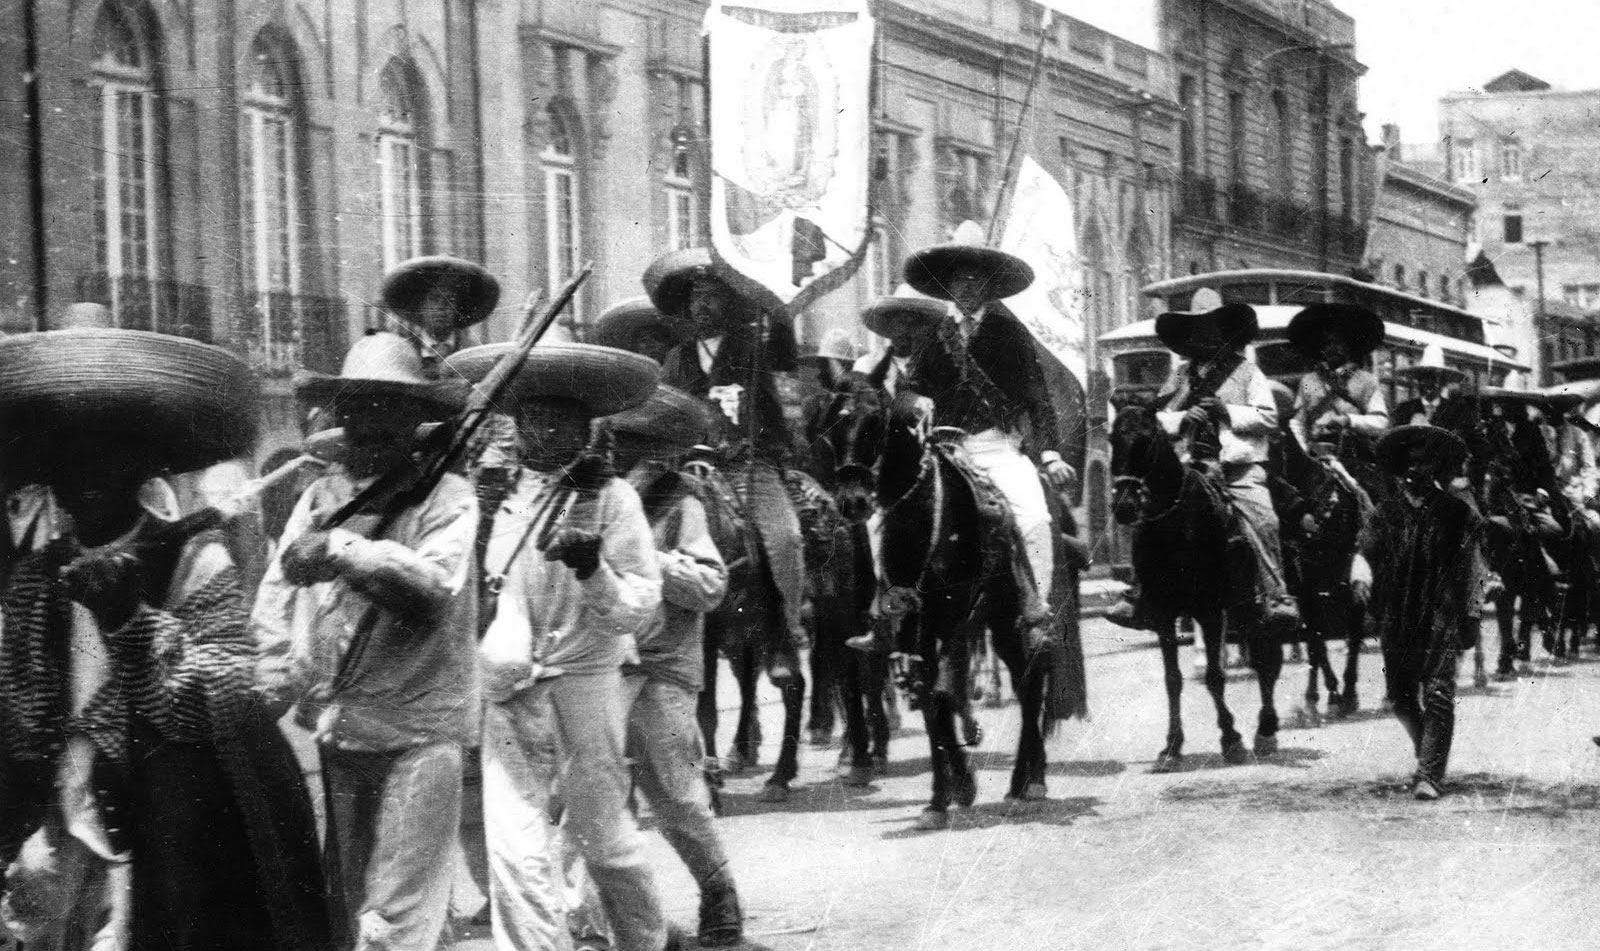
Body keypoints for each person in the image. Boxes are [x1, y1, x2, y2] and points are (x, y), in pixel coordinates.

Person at [0, 327, 329, 950]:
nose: (90, 476)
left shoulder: (195, 562)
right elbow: (19, 720)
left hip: (170, 826)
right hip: (62, 824)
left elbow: (220, 700)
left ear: (142, 467)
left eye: (110, 457)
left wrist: (129, 619)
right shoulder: (35, 581)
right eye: (72, 460)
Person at [445, 340, 678, 951]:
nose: (544, 430)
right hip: (507, 688)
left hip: (586, 686)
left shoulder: (614, 499)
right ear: (516, 425)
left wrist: (592, 568)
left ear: (585, 427)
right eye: (532, 419)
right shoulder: (492, 495)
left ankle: (647, 940)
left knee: (605, 839)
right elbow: (464, 589)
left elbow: (640, 608)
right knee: (515, 849)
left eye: (560, 420)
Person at [254, 332, 481, 951]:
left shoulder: (450, 499)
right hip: (341, 728)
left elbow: (430, 590)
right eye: (354, 408)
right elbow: (275, 599)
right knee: (346, 904)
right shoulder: (319, 497)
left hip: (420, 729)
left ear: (414, 421)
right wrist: (271, 680)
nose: (365, 423)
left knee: (392, 916)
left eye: (384, 408)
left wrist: (343, 549)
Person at [861, 226, 1074, 650]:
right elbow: (908, 392)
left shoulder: (1010, 334)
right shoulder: (934, 336)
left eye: (977, 279)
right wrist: (911, 404)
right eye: (960, 279)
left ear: (990, 285)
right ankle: (887, 611)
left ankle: (1036, 613)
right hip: (944, 449)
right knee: (879, 519)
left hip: (996, 447)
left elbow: (1038, 399)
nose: (968, 287)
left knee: (1033, 518)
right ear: (948, 285)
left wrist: (1048, 453)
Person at [594, 384, 744, 947]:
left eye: (633, 442)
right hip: (599, 666)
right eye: (614, 438)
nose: (618, 451)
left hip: (660, 668)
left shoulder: (680, 504)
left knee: (677, 795)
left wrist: (646, 556)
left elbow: (710, 584)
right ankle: (630, 921)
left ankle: (719, 889)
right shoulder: (590, 497)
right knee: (597, 800)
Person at [643, 248, 807, 680]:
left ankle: (786, 633)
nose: (703, 304)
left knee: (784, 538)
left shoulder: (754, 349)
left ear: (730, 302)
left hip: (746, 466)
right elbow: (661, 415)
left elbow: (786, 358)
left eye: (713, 295)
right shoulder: (676, 360)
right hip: (687, 471)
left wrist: (778, 307)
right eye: (697, 295)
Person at [1109, 291, 1297, 635]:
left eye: (1212, 330)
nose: (1205, 338)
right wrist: (1183, 418)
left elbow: (1269, 418)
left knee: (1263, 518)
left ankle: (1276, 596)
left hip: (1237, 467)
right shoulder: (1180, 377)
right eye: (1198, 331)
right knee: (1150, 517)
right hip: (1188, 466)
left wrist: (1227, 412)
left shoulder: (1247, 372)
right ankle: (1137, 593)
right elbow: (1154, 420)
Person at [1360, 424, 1486, 800]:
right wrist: (1360, 577)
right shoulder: (1384, 513)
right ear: (1400, 466)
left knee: (1439, 694)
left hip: (1441, 615)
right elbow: (1364, 553)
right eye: (1410, 461)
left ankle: (1430, 774)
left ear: (1437, 467)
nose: (1417, 468)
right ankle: (1425, 755)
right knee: (1400, 698)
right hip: (1396, 617)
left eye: (1425, 461)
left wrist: (1473, 614)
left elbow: (1473, 569)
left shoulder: (1457, 512)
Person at [380, 254, 501, 373]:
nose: (442, 307)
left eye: (451, 300)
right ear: (420, 305)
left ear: (459, 308)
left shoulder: (475, 354)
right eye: (434, 299)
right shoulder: (404, 353)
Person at [1389, 344, 1467, 427]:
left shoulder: (1456, 412)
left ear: (1443, 383)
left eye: (1434, 379)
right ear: (1418, 381)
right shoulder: (1404, 410)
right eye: (1424, 378)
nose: (1429, 384)